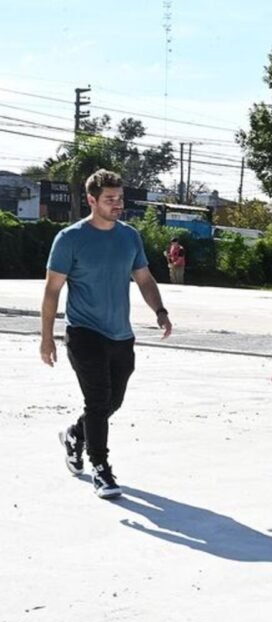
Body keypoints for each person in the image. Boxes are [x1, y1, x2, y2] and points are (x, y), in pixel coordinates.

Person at [40, 169, 173, 499]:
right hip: (84, 332)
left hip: (120, 334)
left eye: (120, 199)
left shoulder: (129, 236)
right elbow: (52, 291)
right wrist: (46, 336)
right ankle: (101, 468)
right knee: (98, 400)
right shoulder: (70, 238)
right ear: (91, 201)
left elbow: (143, 278)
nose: (117, 205)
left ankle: (75, 434)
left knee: (112, 401)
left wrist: (160, 311)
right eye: (110, 199)